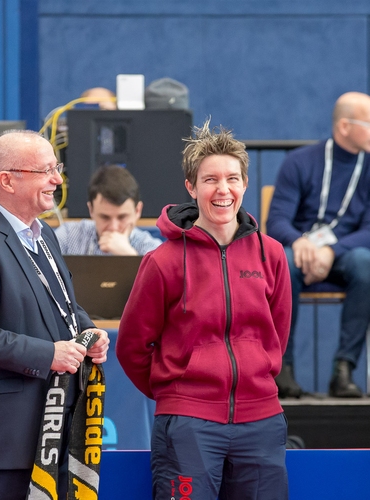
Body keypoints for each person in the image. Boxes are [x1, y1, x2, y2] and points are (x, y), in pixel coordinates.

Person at [116, 120, 292, 499]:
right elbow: (131, 346)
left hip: (261, 419)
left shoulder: (271, 254)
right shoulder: (162, 262)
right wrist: (178, 389)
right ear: (191, 187)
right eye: (210, 180)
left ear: (244, 184)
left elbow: (276, 335)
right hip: (188, 424)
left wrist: (256, 378)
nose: (222, 189)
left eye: (232, 178)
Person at [0, 130, 110, 500]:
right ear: (8, 180)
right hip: (11, 434)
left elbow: (61, 304)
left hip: (60, 426)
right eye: (46, 170)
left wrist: (89, 330)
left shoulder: (45, 235)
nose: (57, 179)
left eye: (57, 168)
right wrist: (48, 354)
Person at [267, 91, 370, 398]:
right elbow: (277, 221)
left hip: (344, 255)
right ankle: (282, 368)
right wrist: (300, 243)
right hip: (299, 253)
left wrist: (329, 251)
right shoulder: (299, 162)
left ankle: (343, 370)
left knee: (366, 262)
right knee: (282, 261)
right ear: (345, 126)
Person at [54, 165, 162, 255]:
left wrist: (129, 256)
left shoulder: (153, 249)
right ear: (91, 210)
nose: (113, 227)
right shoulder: (67, 237)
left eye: (122, 217)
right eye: (105, 217)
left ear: (137, 211)